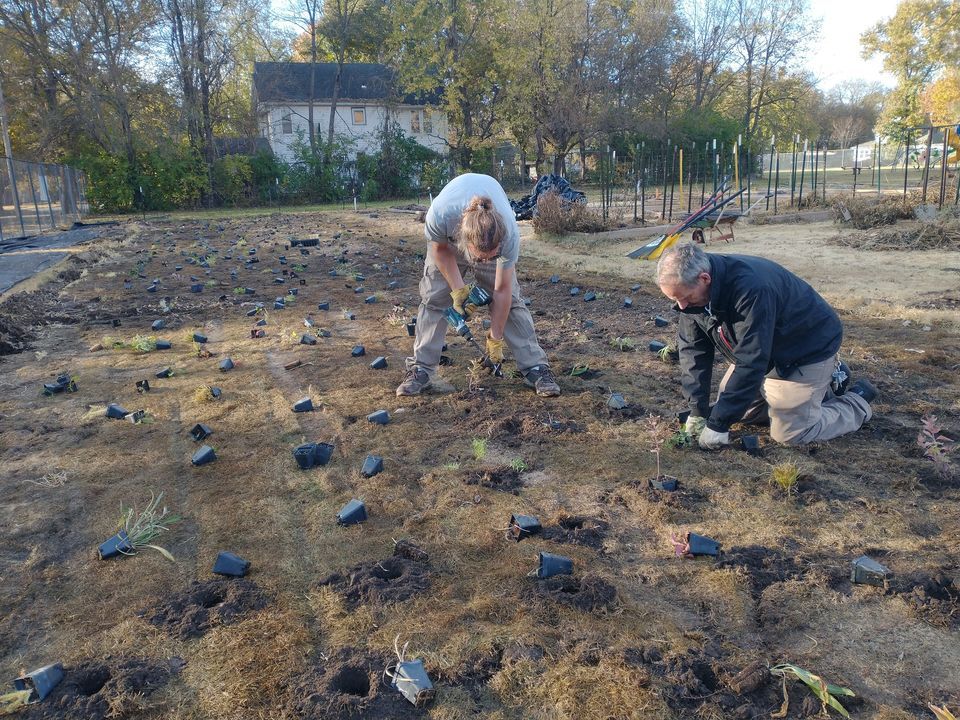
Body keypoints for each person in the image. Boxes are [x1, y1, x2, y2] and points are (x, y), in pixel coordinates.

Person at [655, 243, 876, 448]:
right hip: (762, 350)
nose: (681, 306)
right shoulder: (692, 297)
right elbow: (693, 352)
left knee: (790, 433)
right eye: (675, 300)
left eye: (684, 298)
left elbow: (752, 359)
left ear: (704, 278)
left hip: (803, 351)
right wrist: (698, 411)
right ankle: (816, 392)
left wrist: (718, 425)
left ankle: (855, 401)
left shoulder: (751, 289)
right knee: (739, 411)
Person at [396, 173, 560, 397]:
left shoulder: (508, 234)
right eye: (480, 258)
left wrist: (495, 339)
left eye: (490, 257)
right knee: (435, 298)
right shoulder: (441, 214)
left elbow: (502, 290)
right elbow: (440, 250)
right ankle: (420, 368)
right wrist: (458, 289)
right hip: (447, 241)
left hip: (486, 236)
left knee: (511, 302)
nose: (484, 263)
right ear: (466, 242)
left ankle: (535, 367)